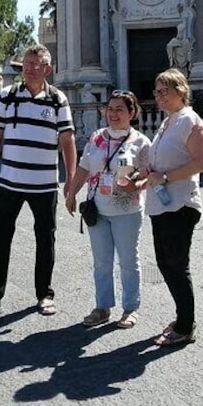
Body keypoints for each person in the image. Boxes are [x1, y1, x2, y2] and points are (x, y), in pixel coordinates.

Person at [0, 44, 76, 323]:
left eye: (35, 64)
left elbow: (67, 140)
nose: (29, 68)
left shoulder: (57, 100)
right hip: (10, 182)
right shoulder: (7, 96)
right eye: (26, 63)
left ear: (47, 69)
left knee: (45, 240)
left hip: (44, 184)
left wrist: (71, 177)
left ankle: (45, 294)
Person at [136, 68, 203, 347]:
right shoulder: (168, 123)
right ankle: (183, 317)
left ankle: (185, 325)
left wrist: (164, 177)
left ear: (181, 91)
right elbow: (161, 162)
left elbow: (202, 163)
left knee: (177, 266)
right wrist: (145, 174)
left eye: (164, 91)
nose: (158, 96)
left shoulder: (190, 121)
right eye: (156, 92)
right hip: (162, 204)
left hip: (181, 204)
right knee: (166, 264)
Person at [65, 90, 151, 329]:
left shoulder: (142, 142)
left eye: (119, 109)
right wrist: (72, 192)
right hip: (98, 210)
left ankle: (131, 308)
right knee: (101, 262)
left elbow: (148, 175)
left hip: (127, 210)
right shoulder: (96, 138)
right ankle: (102, 307)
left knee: (128, 261)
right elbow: (84, 168)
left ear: (132, 113)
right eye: (110, 109)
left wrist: (136, 182)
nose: (113, 114)